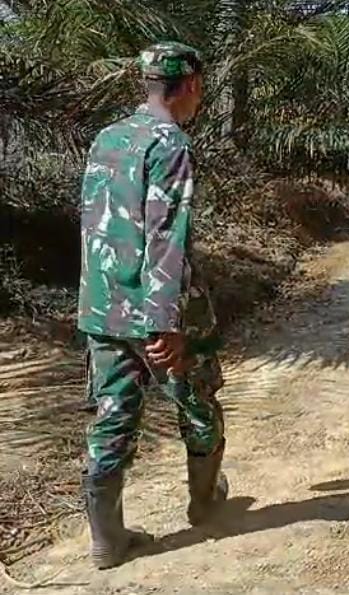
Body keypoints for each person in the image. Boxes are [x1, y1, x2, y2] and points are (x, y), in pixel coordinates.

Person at [78, 41, 227, 570]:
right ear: (189, 86)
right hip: (155, 311)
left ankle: (107, 540)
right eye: (199, 92)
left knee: (113, 414)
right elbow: (167, 235)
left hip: (102, 307)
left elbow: (96, 226)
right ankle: (206, 502)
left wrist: (100, 304)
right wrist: (166, 323)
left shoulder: (107, 137)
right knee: (197, 401)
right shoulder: (171, 143)